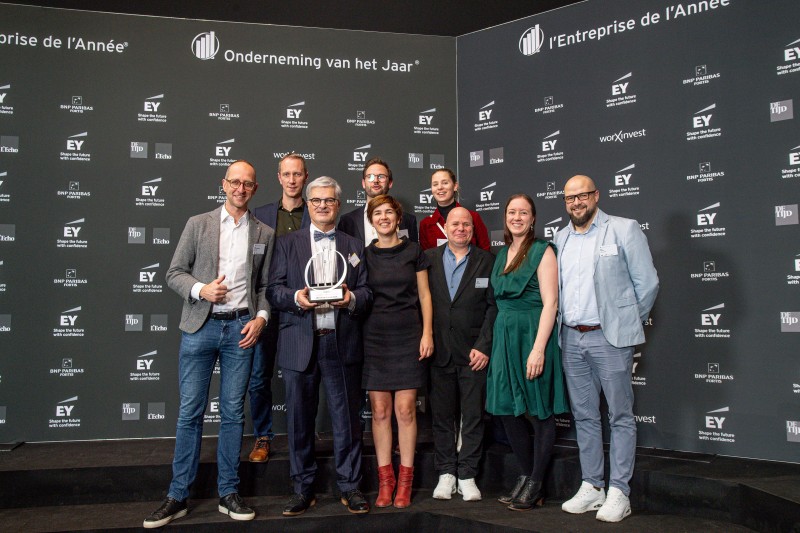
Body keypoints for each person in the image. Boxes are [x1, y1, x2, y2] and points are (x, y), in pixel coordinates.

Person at [144, 160, 275, 528]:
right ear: (224, 184)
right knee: (190, 412)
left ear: (255, 188)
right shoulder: (198, 224)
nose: (240, 188)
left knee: (233, 413)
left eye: (247, 183)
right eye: (235, 182)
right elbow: (173, 273)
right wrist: (202, 289)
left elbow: (266, 286)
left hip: (241, 330)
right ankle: (177, 496)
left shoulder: (264, 232)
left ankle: (228, 493)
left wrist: (261, 318)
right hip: (199, 328)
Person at [267, 176, 373, 517]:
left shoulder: (354, 246)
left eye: (329, 200)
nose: (323, 205)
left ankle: (350, 486)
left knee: (347, 421)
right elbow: (273, 290)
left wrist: (351, 299)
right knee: (299, 420)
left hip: (342, 343)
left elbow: (367, 292)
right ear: (308, 204)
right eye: (316, 200)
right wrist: (295, 298)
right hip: (300, 341)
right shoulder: (287, 243)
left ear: (338, 205)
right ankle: (302, 489)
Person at [555, 175, 658, 523]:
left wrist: (625, 323)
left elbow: (648, 283)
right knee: (584, 416)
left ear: (596, 195)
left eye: (582, 195)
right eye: (570, 198)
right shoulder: (561, 238)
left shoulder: (623, 229)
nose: (576, 202)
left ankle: (619, 491)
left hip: (609, 338)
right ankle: (592, 485)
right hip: (571, 338)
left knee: (620, 416)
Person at [486, 193, 569, 512]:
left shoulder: (542, 250)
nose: (517, 217)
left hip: (532, 335)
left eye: (523, 213)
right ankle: (526, 474)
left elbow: (551, 303)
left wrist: (538, 349)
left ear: (533, 219)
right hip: (504, 338)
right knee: (507, 409)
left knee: (538, 410)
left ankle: (536, 482)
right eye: (512, 212)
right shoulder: (501, 254)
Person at [362, 194, 433, 509]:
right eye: (378, 213)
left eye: (389, 212)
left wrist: (427, 333)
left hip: (408, 336)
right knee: (380, 411)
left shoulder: (414, 251)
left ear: (398, 218)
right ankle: (385, 481)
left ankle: (405, 481)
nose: (384, 217)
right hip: (374, 338)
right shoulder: (364, 255)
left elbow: (425, 295)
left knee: (405, 410)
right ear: (371, 219)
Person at [426, 207, 497, 502]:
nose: (460, 229)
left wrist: (484, 345)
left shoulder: (487, 261)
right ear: (446, 227)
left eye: (466, 225)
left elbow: (494, 307)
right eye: (455, 224)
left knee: (473, 416)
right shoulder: (428, 259)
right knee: (442, 417)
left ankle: (467, 474)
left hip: (473, 354)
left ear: (472, 229)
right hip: (438, 351)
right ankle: (446, 473)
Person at [247, 153, 310, 463]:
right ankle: (263, 435)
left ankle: (305, 438)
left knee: (304, 378)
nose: (292, 180)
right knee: (259, 376)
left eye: (297, 174)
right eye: (287, 174)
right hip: (266, 307)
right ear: (279, 177)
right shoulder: (260, 214)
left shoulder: (316, 211)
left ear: (305, 177)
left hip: (302, 308)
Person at [338, 157, 418, 245]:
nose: (376, 181)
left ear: (390, 183)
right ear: (363, 183)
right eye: (370, 177)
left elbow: (412, 251)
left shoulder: (408, 220)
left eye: (381, 176)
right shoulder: (347, 221)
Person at [418, 168, 490, 251]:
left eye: (445, 183)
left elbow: (485, 252)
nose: (440, 187)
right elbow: (426, 256)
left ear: (455, 186)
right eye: (435, 184)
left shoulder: (473, 217)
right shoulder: (426, 224)